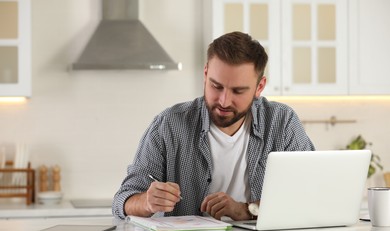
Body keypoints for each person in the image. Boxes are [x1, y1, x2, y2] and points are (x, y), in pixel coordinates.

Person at [112, 31, 315, 221]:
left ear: (259, 87)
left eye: (238, 91)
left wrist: (245, 210)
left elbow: (310, 195)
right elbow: (123, 200)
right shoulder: (169, 124)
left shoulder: (282, 123)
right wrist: (147, 202)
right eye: (216, 86)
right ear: (206, 74)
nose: (224, 101)